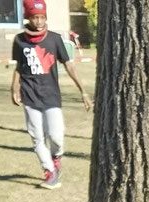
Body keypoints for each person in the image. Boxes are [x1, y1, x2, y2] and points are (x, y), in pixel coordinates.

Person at [10, 0, 90, 190]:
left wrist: (83, 91)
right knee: (37, 136)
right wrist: (14, 88)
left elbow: (68, 64)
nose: (38, 21)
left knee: (56, 136)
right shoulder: (20, 40)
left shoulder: (54, 39)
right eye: (35, 17)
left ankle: (56, 159)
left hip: (51, 95)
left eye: (42, 17)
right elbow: (18, 67)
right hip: (29, 95)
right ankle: (49, 172)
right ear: (28, 18)